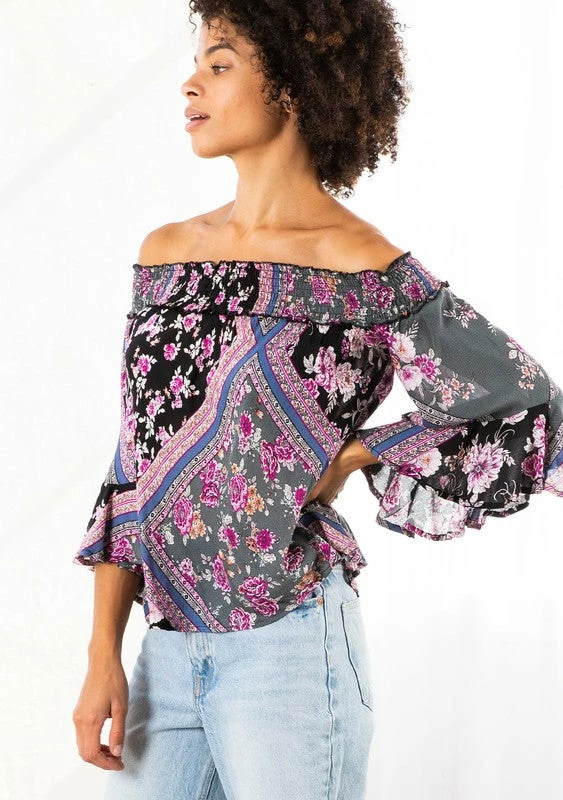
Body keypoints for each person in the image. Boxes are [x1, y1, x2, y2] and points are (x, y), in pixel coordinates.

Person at [72, 3, 563, 799]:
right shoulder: (165, 254)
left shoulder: (363, 268)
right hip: (164, 651)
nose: (190, 84)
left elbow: (521, 397)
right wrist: (103, 655)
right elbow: (133, 457)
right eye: (196, 65)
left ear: (294, 85)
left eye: (220, 64)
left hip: (288, 653)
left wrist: (352, 454)